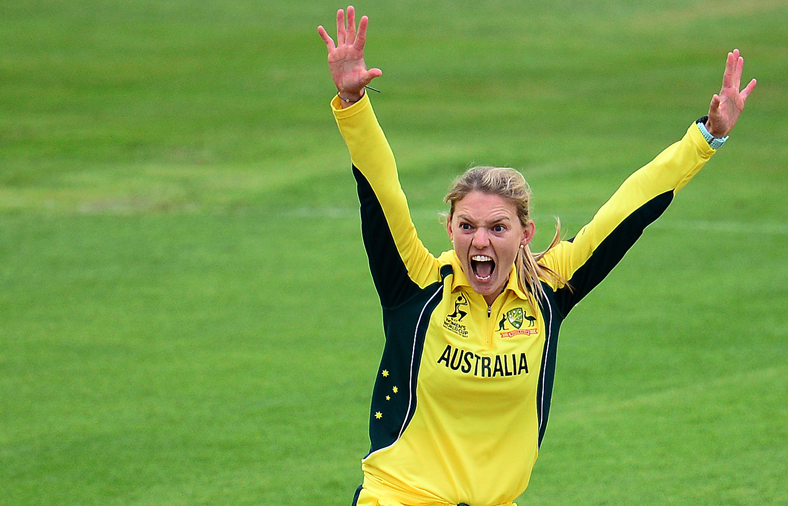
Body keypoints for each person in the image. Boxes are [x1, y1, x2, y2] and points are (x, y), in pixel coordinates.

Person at [318, 6, 756, 506]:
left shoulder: (547, 289)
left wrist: (706, 137)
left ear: (525, 234)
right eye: (467, 226)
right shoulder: (416, 285)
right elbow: (381, 190)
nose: (480, 241)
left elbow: (629, 208)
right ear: (450, 228)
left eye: (497, 228)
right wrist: (353, 103)